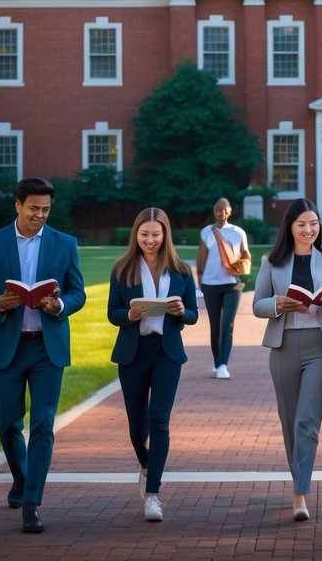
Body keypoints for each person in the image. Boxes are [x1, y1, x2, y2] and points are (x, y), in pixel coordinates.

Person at [0, 177, 86, 534]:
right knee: (7, 423)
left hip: (47, 348)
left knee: (43, 424)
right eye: (34, 208)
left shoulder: (65, 243)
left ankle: (32, 503)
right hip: (9, 345)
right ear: (17, 205)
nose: (40, 215)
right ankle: (20, 479)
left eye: (46, 210)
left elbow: (78, 292)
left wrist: (60, 304)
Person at [252, 198, 322, 521]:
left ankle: (300, 494)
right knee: (290, 421)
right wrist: (278, 304)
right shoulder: (272, 261)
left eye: (314, 224)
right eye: (302, 225)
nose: (309, 230)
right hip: (283, 347)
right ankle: (299, 479)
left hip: (318, 347)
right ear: (290, 228)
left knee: (307, 420)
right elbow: (257, 305)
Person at [108, 207, 198, 523]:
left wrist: (180, 312)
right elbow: (112, 313)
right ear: (136, 234)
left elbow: (193, 315)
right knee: (137, 429)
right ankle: (147, 464)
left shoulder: (182, 271)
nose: (149, 240)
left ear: (165, 235)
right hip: (133, 354)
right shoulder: (122, 269)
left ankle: (153, 495)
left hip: (166, 353)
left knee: (159, 421)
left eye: (155, 234)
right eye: (144, 234)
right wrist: (129, 316)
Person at [196, 198, 251, 379]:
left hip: (232, 285)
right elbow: (201, 259)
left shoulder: (238, 232)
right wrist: (200, 281)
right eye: (219, 210)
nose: (222, 213)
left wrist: (243, 264)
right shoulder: (206, 232)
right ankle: (217, 360)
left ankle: (223, 365)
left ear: (230, 212)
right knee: (215, 326)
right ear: (214, 211)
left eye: (225, 210)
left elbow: (245, 254)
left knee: (227, 325)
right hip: (210, 285)